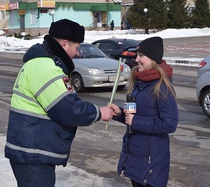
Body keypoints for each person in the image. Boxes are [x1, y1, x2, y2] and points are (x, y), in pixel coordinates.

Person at [5, 19, 116, 187]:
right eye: (76, 48)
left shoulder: (37, 62)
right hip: (34, 154)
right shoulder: (46, 67)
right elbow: (69, 109)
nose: (78, 54)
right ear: (64, 44)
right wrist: (100, 113)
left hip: (29, 150)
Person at [111, 36, 179, 187]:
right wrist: (120, 114)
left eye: (141, 56)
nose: (136, 59)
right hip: (136, 156)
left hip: (151, 161)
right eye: (137, 55)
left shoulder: (162, 86)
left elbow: (169, 124)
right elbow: (135, 115)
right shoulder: (140, 82)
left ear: (153, 58)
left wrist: (135, 121)